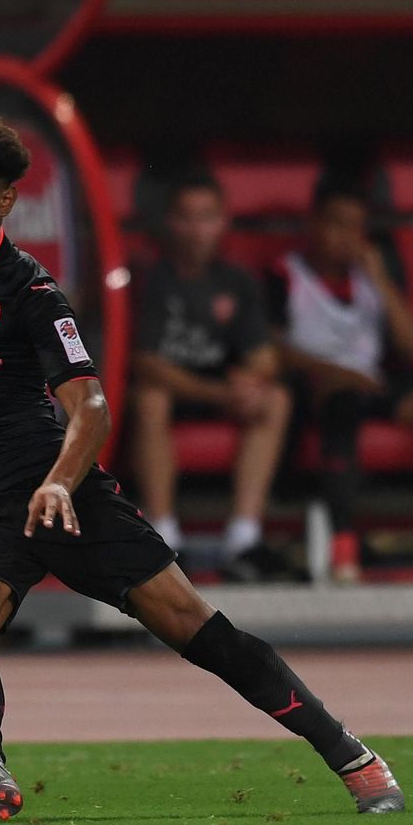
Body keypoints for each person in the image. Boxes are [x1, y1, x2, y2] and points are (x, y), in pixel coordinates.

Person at [0, 110, 402, 819]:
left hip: (57, 488)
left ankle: (354, 759)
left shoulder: (30, 294)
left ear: (6, 200)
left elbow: (91, 408)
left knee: (194, 626)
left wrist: (61, 479)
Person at [266, 180, 413, 583]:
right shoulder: (284, 274)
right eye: (338, 224)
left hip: (375, 384)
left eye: (358, 227)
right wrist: (338, 373)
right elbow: (272, 350)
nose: (348, 237)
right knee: (340, 400)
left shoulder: (374, 275)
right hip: (321, 387)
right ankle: (342, 542)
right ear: (315, 224)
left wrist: (380, 280)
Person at [131, 170, 292, 580]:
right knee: (149, 397)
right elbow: (145, 362)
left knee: (275, 398)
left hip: (221, 393)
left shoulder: (237, 281)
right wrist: (219, 393)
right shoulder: (150, 278)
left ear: (223, 222)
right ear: (170, 222)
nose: (196, 229)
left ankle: (244, 538)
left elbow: (264, 355)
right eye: (187, 217)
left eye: (207, 217)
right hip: (176, 393)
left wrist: (249, 381)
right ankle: (164, 538)